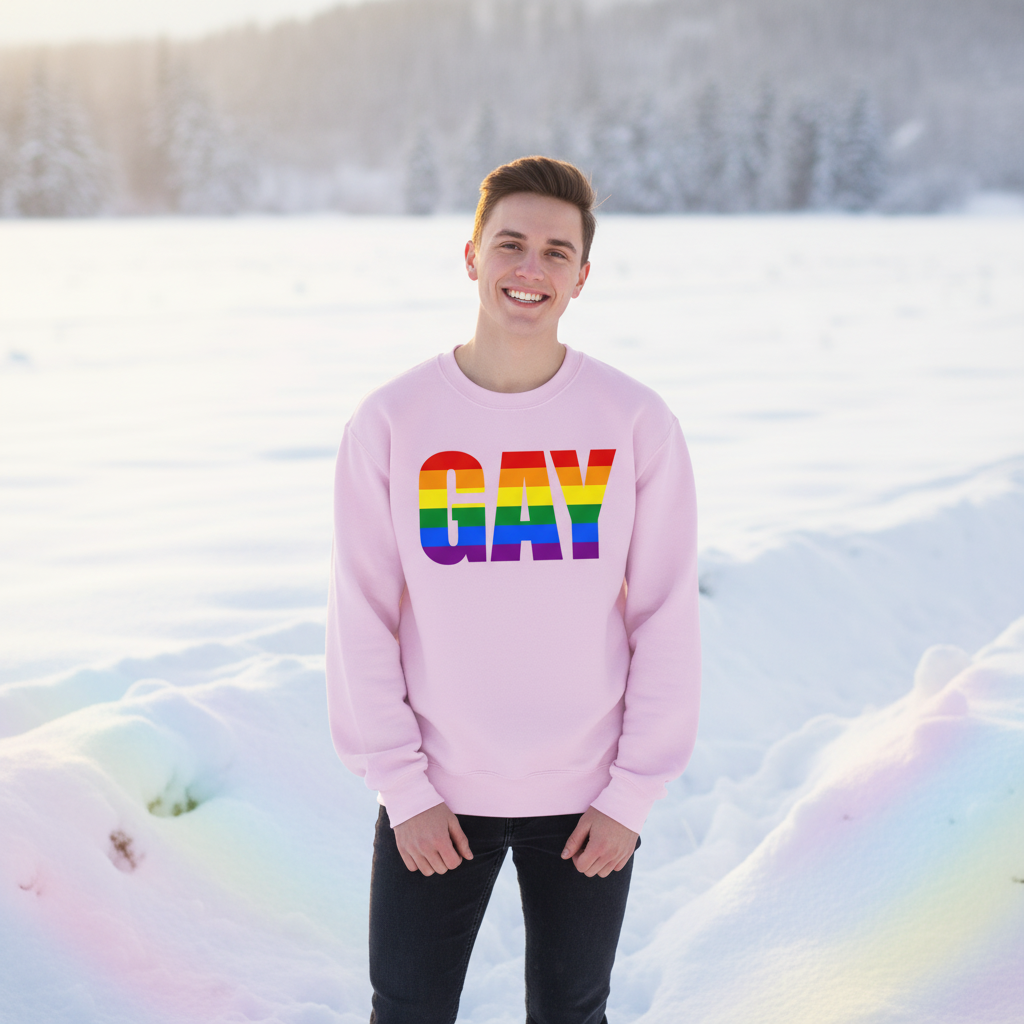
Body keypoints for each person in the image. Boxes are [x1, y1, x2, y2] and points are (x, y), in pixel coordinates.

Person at [326, 156, 701, 1024]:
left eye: (555, 252)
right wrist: (405, 790)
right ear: (471, 257)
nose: (530, 269)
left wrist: (630, 796)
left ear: (582, 275)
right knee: (408, 1011)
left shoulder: (634, 420)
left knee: (572, 1013)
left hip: (588, 804)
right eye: (511, 244)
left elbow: (664, 615)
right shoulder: (392, 421)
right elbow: (363, 617)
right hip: (438, 799)